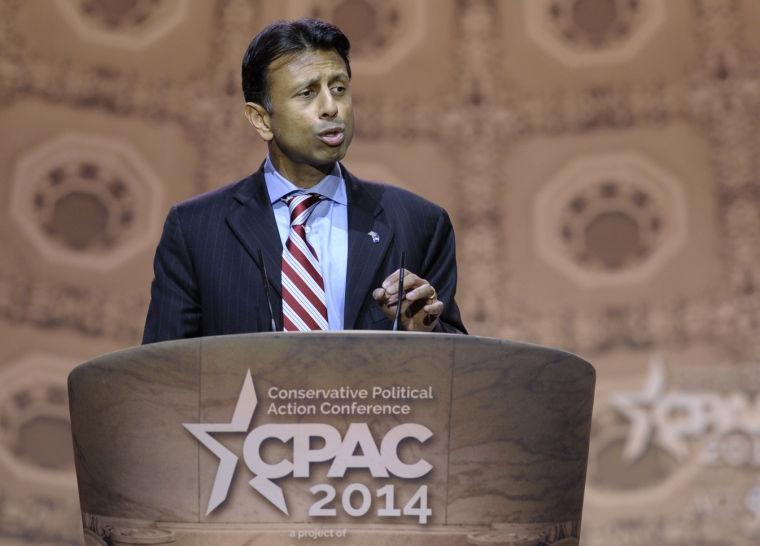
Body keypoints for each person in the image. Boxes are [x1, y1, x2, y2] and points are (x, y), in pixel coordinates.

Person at [142, 18, 466, 343]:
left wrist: (428, 335)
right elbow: (163, 372)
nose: (331, 108)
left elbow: (459, 368)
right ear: (261, 119)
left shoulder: (418, 222)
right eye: (307, 93)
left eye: (338, 88)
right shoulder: (196, 230)